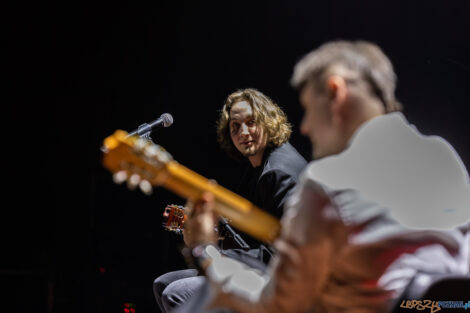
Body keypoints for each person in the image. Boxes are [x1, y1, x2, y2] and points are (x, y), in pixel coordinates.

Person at [173, 40, 470, 313]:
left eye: (307, 108)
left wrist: (204, 250)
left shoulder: (328, 181)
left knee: (188, 301)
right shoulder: (443, 156)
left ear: (334, 92)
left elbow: (276, 304)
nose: (305, 126)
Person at [153, 88, 307, 313]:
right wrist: (215, 231)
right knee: (163, 283)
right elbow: (254, 238)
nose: (243, 132)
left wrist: (216, 254)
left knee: (176, 292)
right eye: (235, 126)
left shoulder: (279, 172)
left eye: (251, 122)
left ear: (268, 121)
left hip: (282, 282)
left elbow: (280, 255)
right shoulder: (258, 168)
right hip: (263, 269)